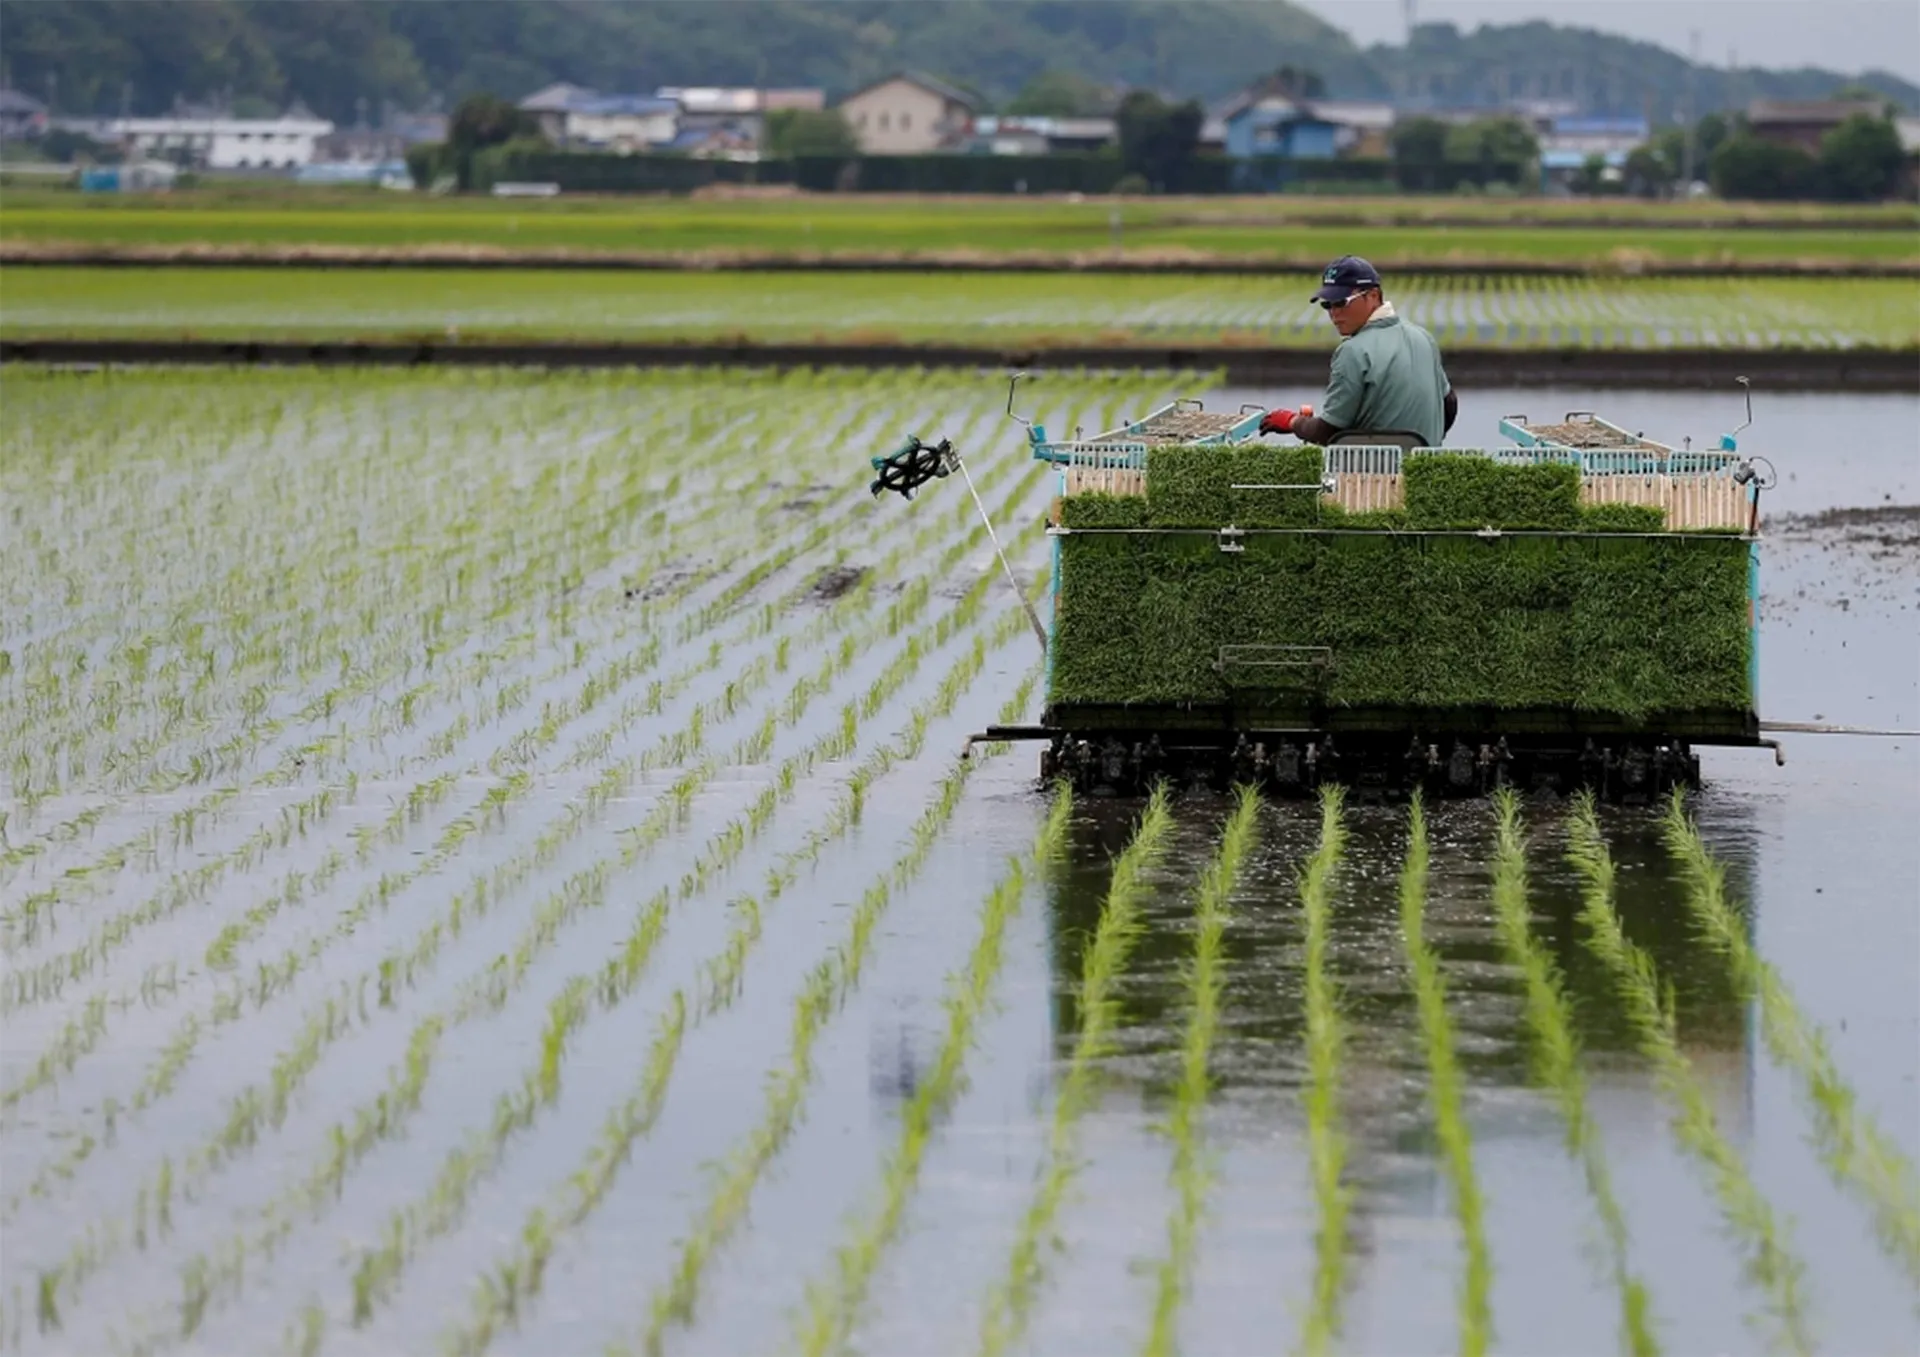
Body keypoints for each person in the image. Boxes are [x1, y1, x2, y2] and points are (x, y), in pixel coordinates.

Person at [1261, 256, 1457, 448]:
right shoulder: (1424, 338)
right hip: (1424, 471)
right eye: (1327, 305)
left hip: (1369, 475)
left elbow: (1328, 431)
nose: (1334, 313)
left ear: (1373, 296)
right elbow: (1449, 406)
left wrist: (1292, 422)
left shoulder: (1352, 351)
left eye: (1341, 302)